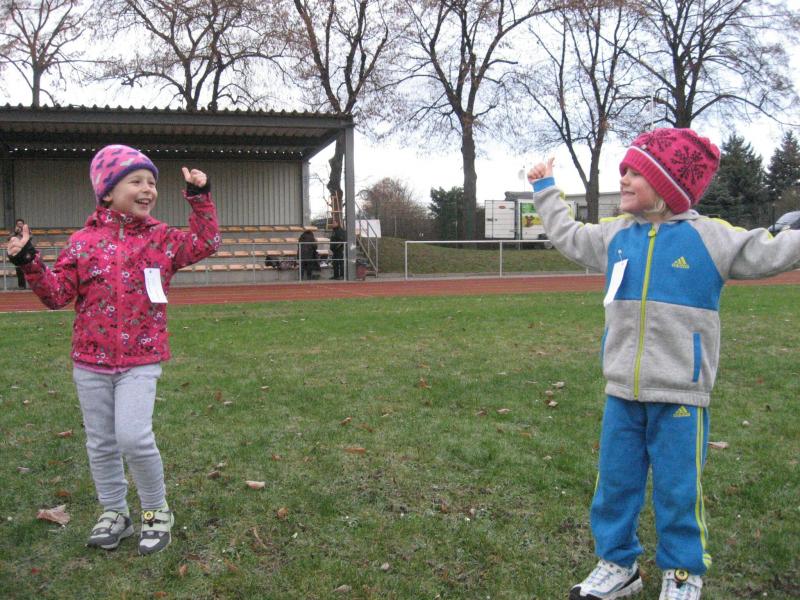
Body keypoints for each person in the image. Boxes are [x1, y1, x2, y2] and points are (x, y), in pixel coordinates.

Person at [527, 128, 800, 600]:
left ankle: (682, 573)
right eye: (625, 171)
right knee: (615, 486)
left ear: (667, 185)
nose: (624, 179)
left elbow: (770, 250)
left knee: (678, 490)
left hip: (680, 396)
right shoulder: (615, 235)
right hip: (622, 394)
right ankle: (618, 564)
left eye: (635, 173)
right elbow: (568, 236)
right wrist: (546, 190)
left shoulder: (711, 238)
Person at [6, 144, 220, 555]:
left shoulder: (161, 238)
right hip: (90, 362)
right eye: (136, 181)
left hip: (141, 360)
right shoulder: (82, 243)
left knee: (134, 437)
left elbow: (207, 242)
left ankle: (156, 511)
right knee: (101, 443)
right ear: (106, 192)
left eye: (151, 182)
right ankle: (115, 512)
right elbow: (56, 295)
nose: (148, 189)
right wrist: (30, 261)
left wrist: (200, 197)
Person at [9, 219, 28, 289]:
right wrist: (15, 233)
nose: (19, 225)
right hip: (17, 254)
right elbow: (8, 238)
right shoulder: (14, 232)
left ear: (23, 224)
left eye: (21, 223)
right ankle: (21, 286)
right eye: (18, 224)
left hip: (26, 252)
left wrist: (21, 233)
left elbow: (30, 237)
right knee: (19, 270)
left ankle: (34, 286)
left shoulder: (26, 231)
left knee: (30, 270)